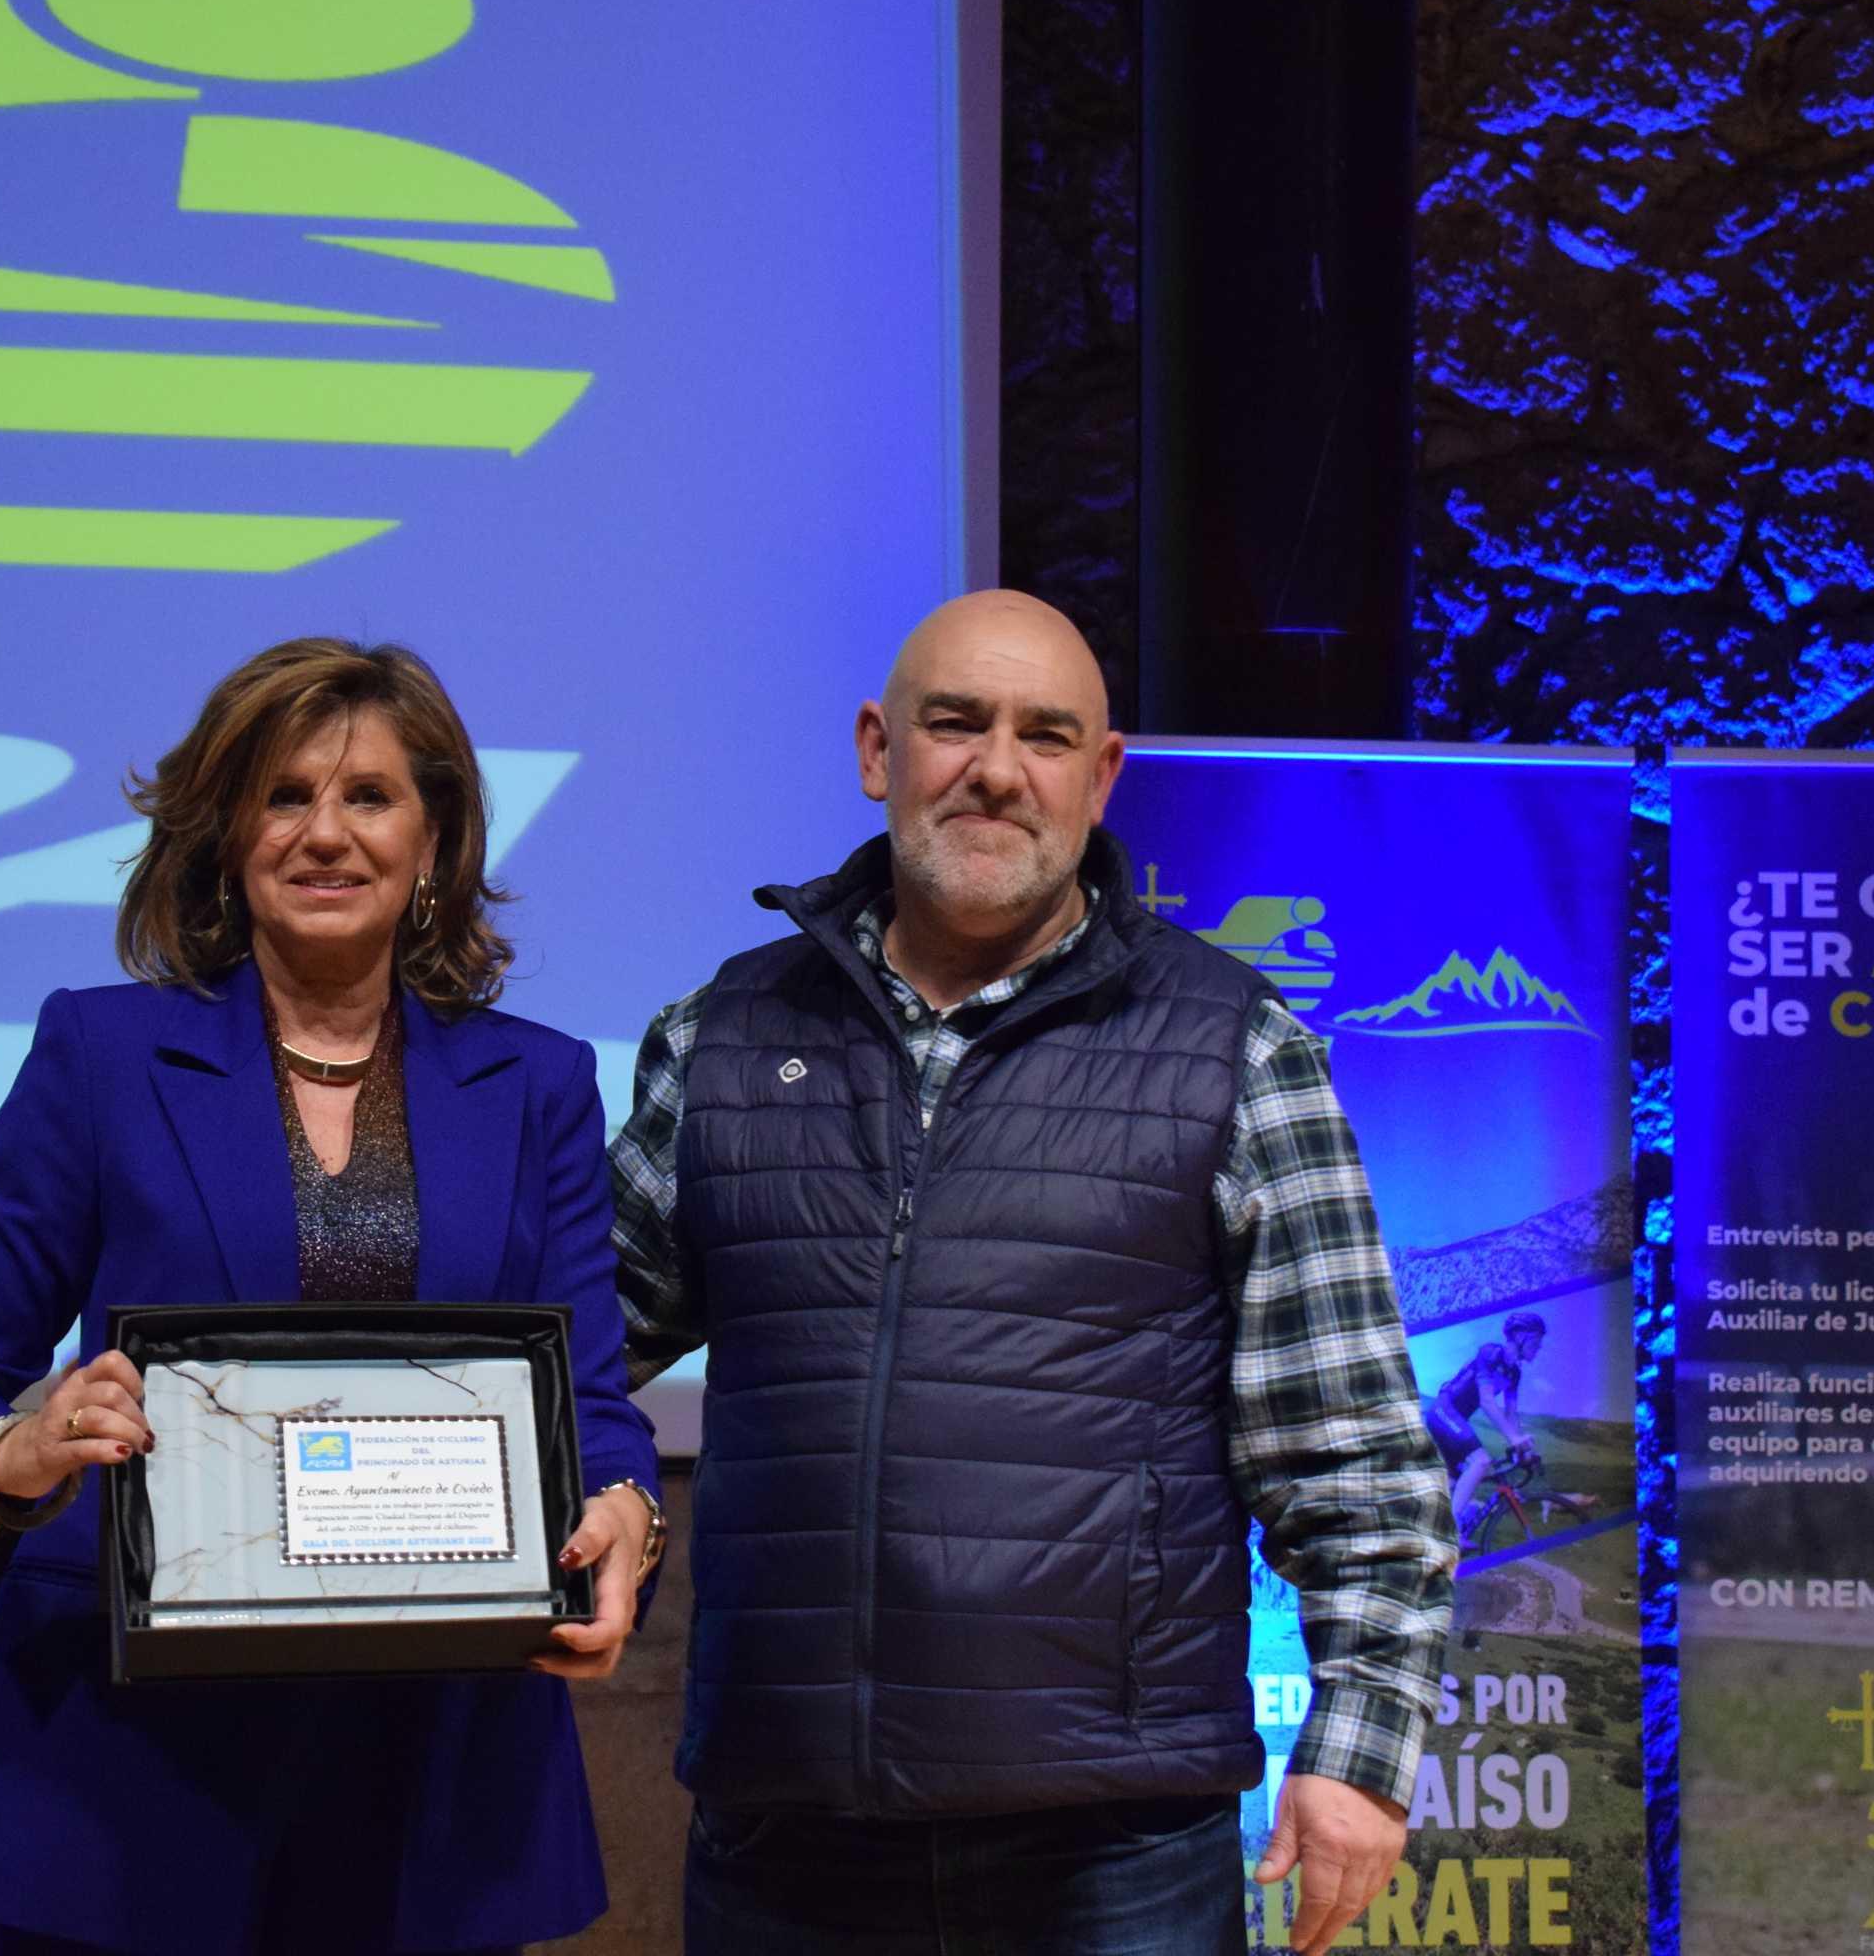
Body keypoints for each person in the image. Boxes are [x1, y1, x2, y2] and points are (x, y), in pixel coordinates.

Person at [610, 590, 1456, 1956]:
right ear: (879, 749)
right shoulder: (721, 1034)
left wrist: (1357, 1757)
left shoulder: (1235, 1050)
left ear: (1101, 774)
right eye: (956, 724)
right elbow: (575, 1357)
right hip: (790, 1835)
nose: (997, 769)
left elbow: (1350, 1451)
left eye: (1045, 735)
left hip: (1112, 1852)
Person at [0, 639, 664, 1956]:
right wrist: (17, 1448)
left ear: (433, 837)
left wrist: (626, 1511)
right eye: (285, 796)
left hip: (432, 1783)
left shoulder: (538, 1084)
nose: (326, 833)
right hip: (122, 1776)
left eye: (370, 797)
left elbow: (585, 1398)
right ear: (225, 832)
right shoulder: (104, 1055)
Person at [1426, 1311, 1547, 1539]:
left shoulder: (1514, 1373)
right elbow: (1487, 1401)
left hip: (1456, 1420)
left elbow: (1511, 1414)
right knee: (1481, 1462)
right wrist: (1513, 1438)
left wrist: (1523, 1448)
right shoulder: (1490, 1353)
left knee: (1457, 1482)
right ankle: (1447, 1534)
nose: (1539, 1347)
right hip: (1444, 1411)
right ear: (1520, 1336)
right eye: (1536, 1340)